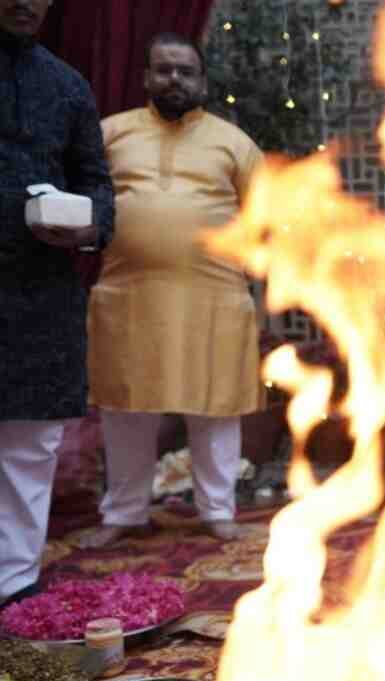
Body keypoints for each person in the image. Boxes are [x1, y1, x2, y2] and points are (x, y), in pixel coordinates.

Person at [81, 33, 263, 548]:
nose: (174, 79)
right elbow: (82, 200)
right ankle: (125, 512)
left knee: (215, 407)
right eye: (164, 70)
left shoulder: (234, 143)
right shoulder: (110, 133)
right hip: (128, 296)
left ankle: (218, 510)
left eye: (185, 71)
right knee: (126, 409)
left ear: (202, 81)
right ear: (146, 77)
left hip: (215, 298)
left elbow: (265, 220)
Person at [0, 0, 115, 604]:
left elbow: (95, 180)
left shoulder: (66, 85)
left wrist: (90, 224)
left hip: (38, 291)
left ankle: (15, 584)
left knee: (29, 442)